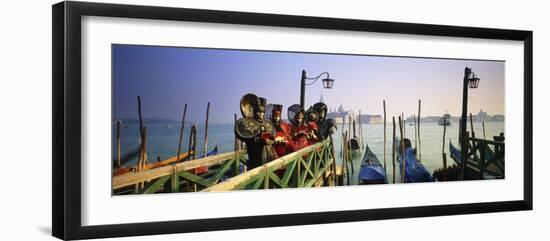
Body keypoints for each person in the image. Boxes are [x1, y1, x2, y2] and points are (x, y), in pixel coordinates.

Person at [235, 94, 276, 170]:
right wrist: (259, 140)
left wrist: (270, 140)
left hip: (269, 158)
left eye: (262, 113)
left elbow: (273, 138)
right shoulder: (248, 124)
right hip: (255, 159)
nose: (261, 115)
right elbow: (246, 138)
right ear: (254, 112)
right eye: (259, 112)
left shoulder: (268, 124)